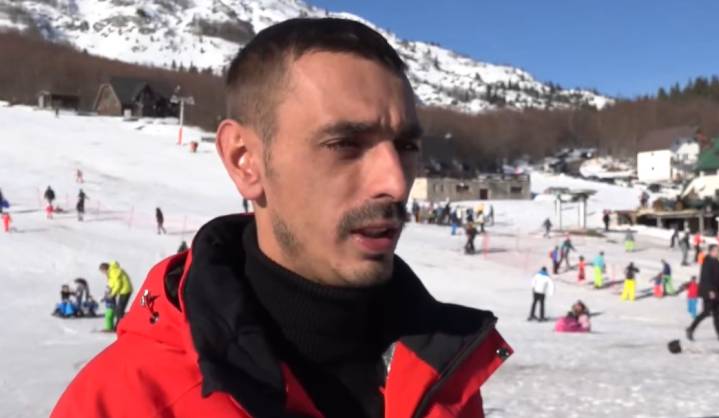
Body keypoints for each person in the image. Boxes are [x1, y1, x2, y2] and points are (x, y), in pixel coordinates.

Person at [53, 18, 512, 418]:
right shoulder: (126, 401)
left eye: (406, 146)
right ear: (245, 161)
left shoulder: (438, 371)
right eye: (345, 144)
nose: (394, 182)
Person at [686, 245, 719, 341]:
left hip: (718, 291)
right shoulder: (707, 262)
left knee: (717, 313)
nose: (718, 252)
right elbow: (706, 277)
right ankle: (690, 328)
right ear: (711, 252)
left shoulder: (718, 262)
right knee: (706, 312)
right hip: (710, 291)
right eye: (716, 250)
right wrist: (710, 290)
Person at [99, 262, 132, 329]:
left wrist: (112, 294)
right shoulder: (111, 271)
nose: (103, 273)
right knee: (119, 309)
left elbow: (118, 284)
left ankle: (119, 326)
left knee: (120, 309)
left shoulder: (113, 271)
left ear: (104, 269)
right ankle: (119, 326)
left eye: (102, 271)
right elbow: (112, 283)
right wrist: (109, 290)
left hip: (125, 290)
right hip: (123, 290)